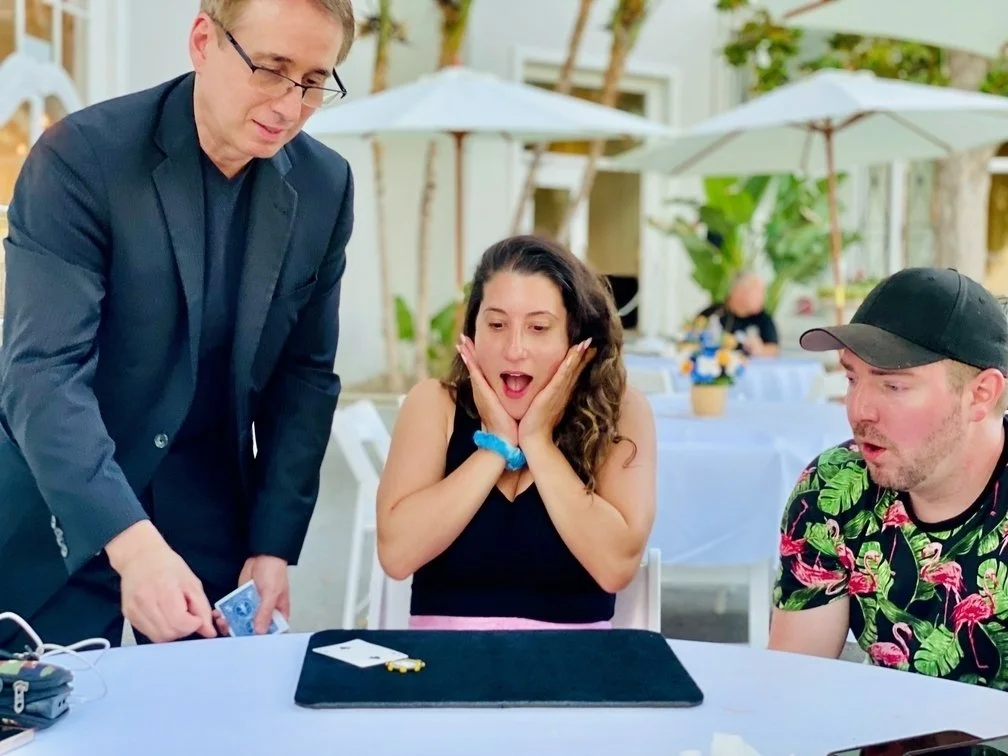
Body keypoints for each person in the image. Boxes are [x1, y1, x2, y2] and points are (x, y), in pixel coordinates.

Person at [0, 0, 356, 651]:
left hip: (214, 531)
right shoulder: (80, 158)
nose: (290, 105)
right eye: (271, 70)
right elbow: (42, 373)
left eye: (313, 82)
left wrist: (273, 546)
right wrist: (132, 548)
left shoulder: (325, 186)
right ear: (202, 41)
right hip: (61, 518)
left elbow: (304, 377)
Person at [375, 235, 657, 629]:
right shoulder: (434, 405)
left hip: (575, 679)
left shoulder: (621, 412)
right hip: (445, 674)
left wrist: (538, 442)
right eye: (496, 324)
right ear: (473, 331)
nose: (514, 348)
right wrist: (497, 446)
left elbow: (615, 568)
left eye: (539, 327)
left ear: (577, 338)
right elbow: (396, 555)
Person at [769, 267, 1008, 689]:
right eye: (851, 377)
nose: (859, 409)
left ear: (980, 394)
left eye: (893, 386)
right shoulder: (833, 489)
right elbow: (791, 686)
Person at [695, 272, 779, 357]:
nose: (763, 297)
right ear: (740, 292)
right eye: (759, 292)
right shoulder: (713, 314)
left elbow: (773, 349)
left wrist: (760, 350)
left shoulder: (763, 318)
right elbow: (692, 339)